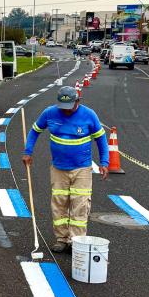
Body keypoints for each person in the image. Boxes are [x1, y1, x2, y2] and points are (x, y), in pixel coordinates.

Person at [21, 86, 109, 252]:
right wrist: (28, 152)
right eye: (63, 108)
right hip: (58, 168)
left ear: (78, 101)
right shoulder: (49, 113)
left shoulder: (89, 115)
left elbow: (101, 139)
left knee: (80, 205)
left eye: (70, 107)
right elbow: (34, 131)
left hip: (82, 168)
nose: (67, 111)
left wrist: (104, 162)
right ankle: (61, 239)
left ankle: (76, 241)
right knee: (59, 204)